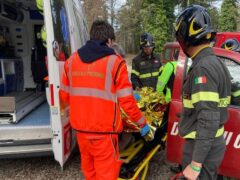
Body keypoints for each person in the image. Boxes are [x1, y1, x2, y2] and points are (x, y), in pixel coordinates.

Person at [59, 20, 153, 180]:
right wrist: (142, 123)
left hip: (80, 131)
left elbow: (64, 97)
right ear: (109, 40)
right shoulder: (115, 62)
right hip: (104, 133)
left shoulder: (71, 61)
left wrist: (71, 116)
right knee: (107, 175)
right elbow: (127, 102)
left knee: (90, 173)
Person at [174, 5, 231, 180]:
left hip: (201, 148)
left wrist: (196, 163)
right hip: (211, 145)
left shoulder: (202, 68)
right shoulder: (216, 62)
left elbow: (208, 118)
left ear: (184, 36)